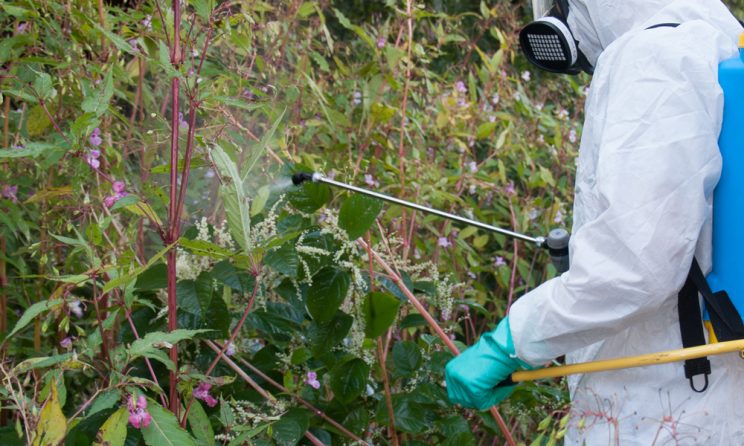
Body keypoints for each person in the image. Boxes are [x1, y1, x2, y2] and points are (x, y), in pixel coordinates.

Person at [445, 0, 744, 443]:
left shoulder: (655, 58)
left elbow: (637, 265)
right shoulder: (716, 38)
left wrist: (513, 341)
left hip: (666, 402)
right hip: (711, 384)